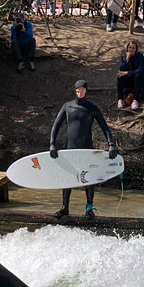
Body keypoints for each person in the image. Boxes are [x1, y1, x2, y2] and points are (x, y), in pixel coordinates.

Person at [50, 79, 116, 219]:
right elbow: (56, 126)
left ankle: (89, 209)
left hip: (87, 150)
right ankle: (64, 208)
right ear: (75, 91)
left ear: (86, 91)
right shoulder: (67, 107)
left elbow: (105, 127)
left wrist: (111, 144)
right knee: (68, 179)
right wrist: (52, 144)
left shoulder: (92, 108)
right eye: (78, 90)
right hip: (70, 150)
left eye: (82, 90)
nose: (80, 93)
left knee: (89, 179)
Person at [116, 40, 144, 110]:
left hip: (141, 79)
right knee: (120, 76)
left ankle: (136, 100)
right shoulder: (124, 57)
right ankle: (120, 99)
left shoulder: (140, 56)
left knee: (138, 75)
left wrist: (128, 73)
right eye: (130, 47)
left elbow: (140, 69)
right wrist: (127, 60)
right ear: (127, 48)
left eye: (133, 48)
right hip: (130, 79)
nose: (131, 50)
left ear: (136, 49)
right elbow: (122, 69)